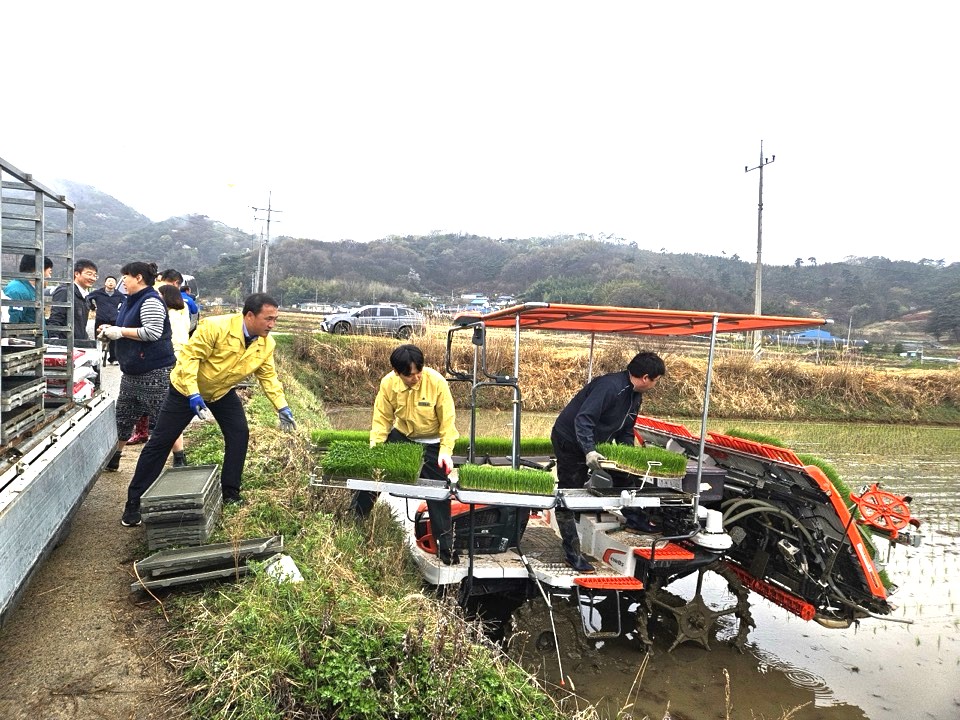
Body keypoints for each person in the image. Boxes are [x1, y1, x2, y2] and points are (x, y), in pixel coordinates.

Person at [120, 292, 295, 527]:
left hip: (221, 391)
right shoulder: (215, 327)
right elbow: (189, 360)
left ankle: (231, 493)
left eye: (275, 319)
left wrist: (282, 407)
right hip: (186, 390)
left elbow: (268, 377)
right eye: (268, 319)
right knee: (161, 442)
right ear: (250, 315)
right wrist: (192, 392)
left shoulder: (266, 343)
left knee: (239, 434)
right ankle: (133, 503)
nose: (272, 325)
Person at [550, 351, 666, 572]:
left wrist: (627, 457)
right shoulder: (610, 387)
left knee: (623, 475)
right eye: (656, 381)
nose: (655, 385)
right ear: (645, 377)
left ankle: (634, 520)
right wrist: (589, 451)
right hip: (569, 439)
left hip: (594, 441)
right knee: (570, 494)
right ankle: (572, 553)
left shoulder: (635, 395)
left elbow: (626, 429)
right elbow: (583, 419)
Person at [351, 344, 459, 564]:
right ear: (396, 372)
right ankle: (353, 521)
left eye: (419, 372)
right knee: (373, 475)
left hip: (431, 442)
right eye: (410, 375)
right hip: (402, 437)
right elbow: (381, 419)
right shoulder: (388, 384)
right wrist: (377, 449)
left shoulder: (436, 382)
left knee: (438, 491)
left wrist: (445, 451)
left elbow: (448, 422)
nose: (416, 378)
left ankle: (445, 548)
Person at [98, 262, 177, 473]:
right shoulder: (129, 301)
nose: (123, 281)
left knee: (164, 417)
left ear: (139, 278)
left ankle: (179, 458)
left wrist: (121, 332)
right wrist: (109, 329)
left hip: (154, 371)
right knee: (123, 416)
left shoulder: (151, 301)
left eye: (126, 277)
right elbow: (125, 324)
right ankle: (114, 457)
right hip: (132, 370)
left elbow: (152, 332)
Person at [157, 283, 191, 467]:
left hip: (170, 358)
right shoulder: (183, 311)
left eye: (159, 294)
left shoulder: (166, 315)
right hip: (183, 358)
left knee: (166, 410)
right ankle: (179, 457)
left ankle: (177, 456)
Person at [48, 259, 98, 340]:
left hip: (77, 343)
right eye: (89, 274)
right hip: (65, 344)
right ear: (77, 274)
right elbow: (56, 317)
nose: (93, 278)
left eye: (95, 275)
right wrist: (54, 341)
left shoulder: (85, 296)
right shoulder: (65, 291)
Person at [4, 254, 53, 328]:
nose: (50, 277)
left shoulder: (30, 290)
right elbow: (10, 326)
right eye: (49, 272)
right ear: (38, 271)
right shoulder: (17, 291)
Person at [88, 276, 124, 363]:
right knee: (98, 338)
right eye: (109, 281)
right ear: (105, 283)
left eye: (113, 281)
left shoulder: (119, 294)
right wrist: (92, 307)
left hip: (114, 319)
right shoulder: (98, 293)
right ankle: (97, 358)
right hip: (101, 318)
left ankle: (113, 358)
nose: (111, 283)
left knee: (114, 339)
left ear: (115, 284)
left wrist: (120, 311)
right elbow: (88, 297)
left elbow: (126, 303)